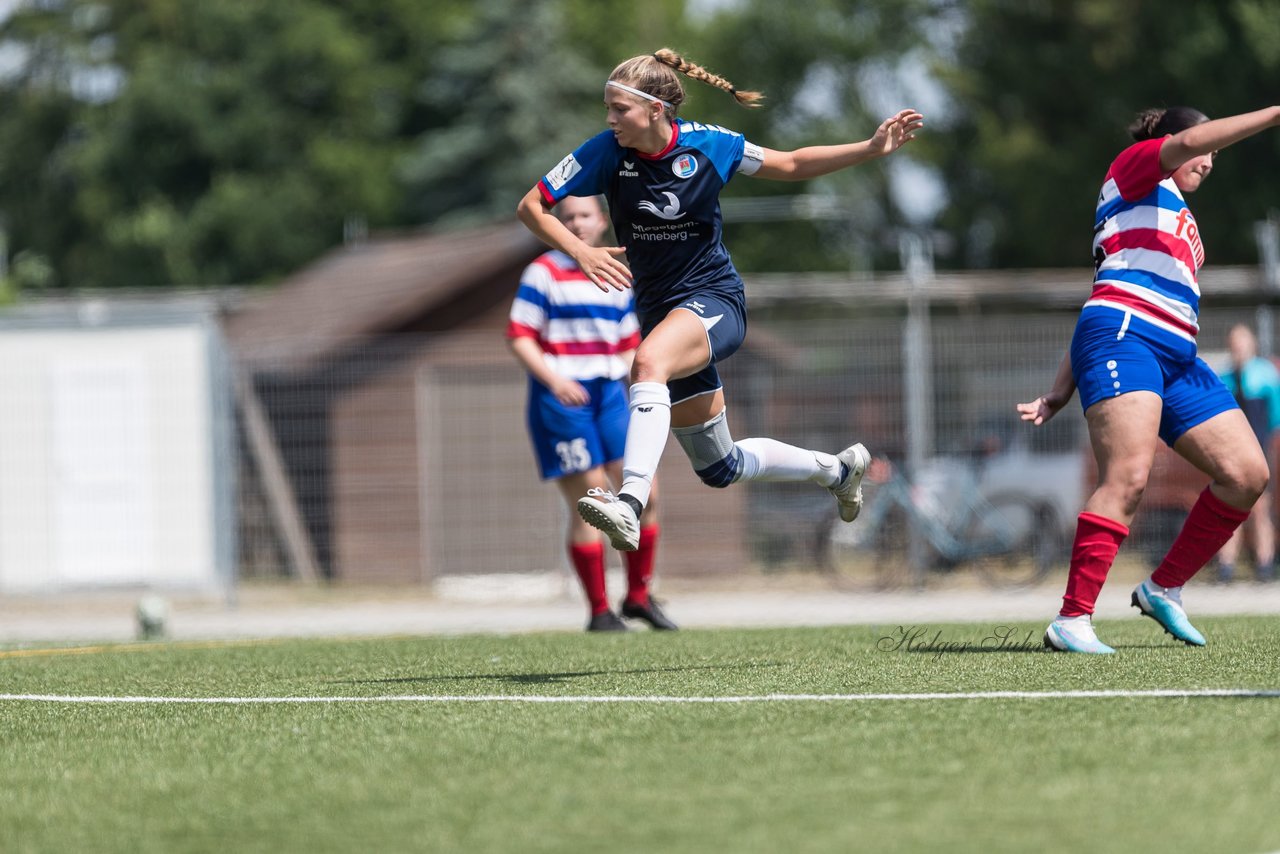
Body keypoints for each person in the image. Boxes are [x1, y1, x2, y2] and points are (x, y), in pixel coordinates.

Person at [517, 48, 924, 557]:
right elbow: (531, 205)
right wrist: (580, 251)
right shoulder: (605, 152)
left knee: (647, 363)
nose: (610, 119)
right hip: (662, 314)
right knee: (720, 467)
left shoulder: (713, 145)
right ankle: (837, 471)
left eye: (619, 109)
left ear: (656, 110)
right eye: (608, 108)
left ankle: (630, 504)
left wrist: (869, 147)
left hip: (714, 301)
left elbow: (792, 163)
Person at [1018, 104, 1280, 653]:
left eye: (1213, 154)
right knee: (1129, 477)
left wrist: (1060, 387)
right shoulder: (1135, 168)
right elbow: (1109, 303)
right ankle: (1072, 618)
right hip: (1127, 335)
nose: (1207, 159)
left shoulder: (1176, 215)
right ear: (1169, 140)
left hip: (1178, 351)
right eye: (1200, 146)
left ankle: (1164, 587)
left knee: (1247, 473)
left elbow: (1103, 284)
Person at [507, 194, 676, 632]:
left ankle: (638, 597)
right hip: (561, 399)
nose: (577, 224)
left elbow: (625, 345)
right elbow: (520, 335)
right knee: (595, 498)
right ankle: (600, 611)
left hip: (609, 395)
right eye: (567, 218)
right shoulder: (543, 273)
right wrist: (556, 381)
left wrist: (638, 377)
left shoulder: (619, 276)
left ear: (602, 220)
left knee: (647, 493)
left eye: (584, 215)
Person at [1216, 323, 1280, 583]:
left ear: (1252, 345)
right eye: (1234, 344)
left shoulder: (1266, 376)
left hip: (1260, 452)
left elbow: (1274, 419)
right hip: (1231, 456)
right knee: (1229, 510)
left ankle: (1264, 565)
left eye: (1242, 343)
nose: (1238, 348)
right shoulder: (1224, 379)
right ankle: (1225, 568)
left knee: (1261, 509)